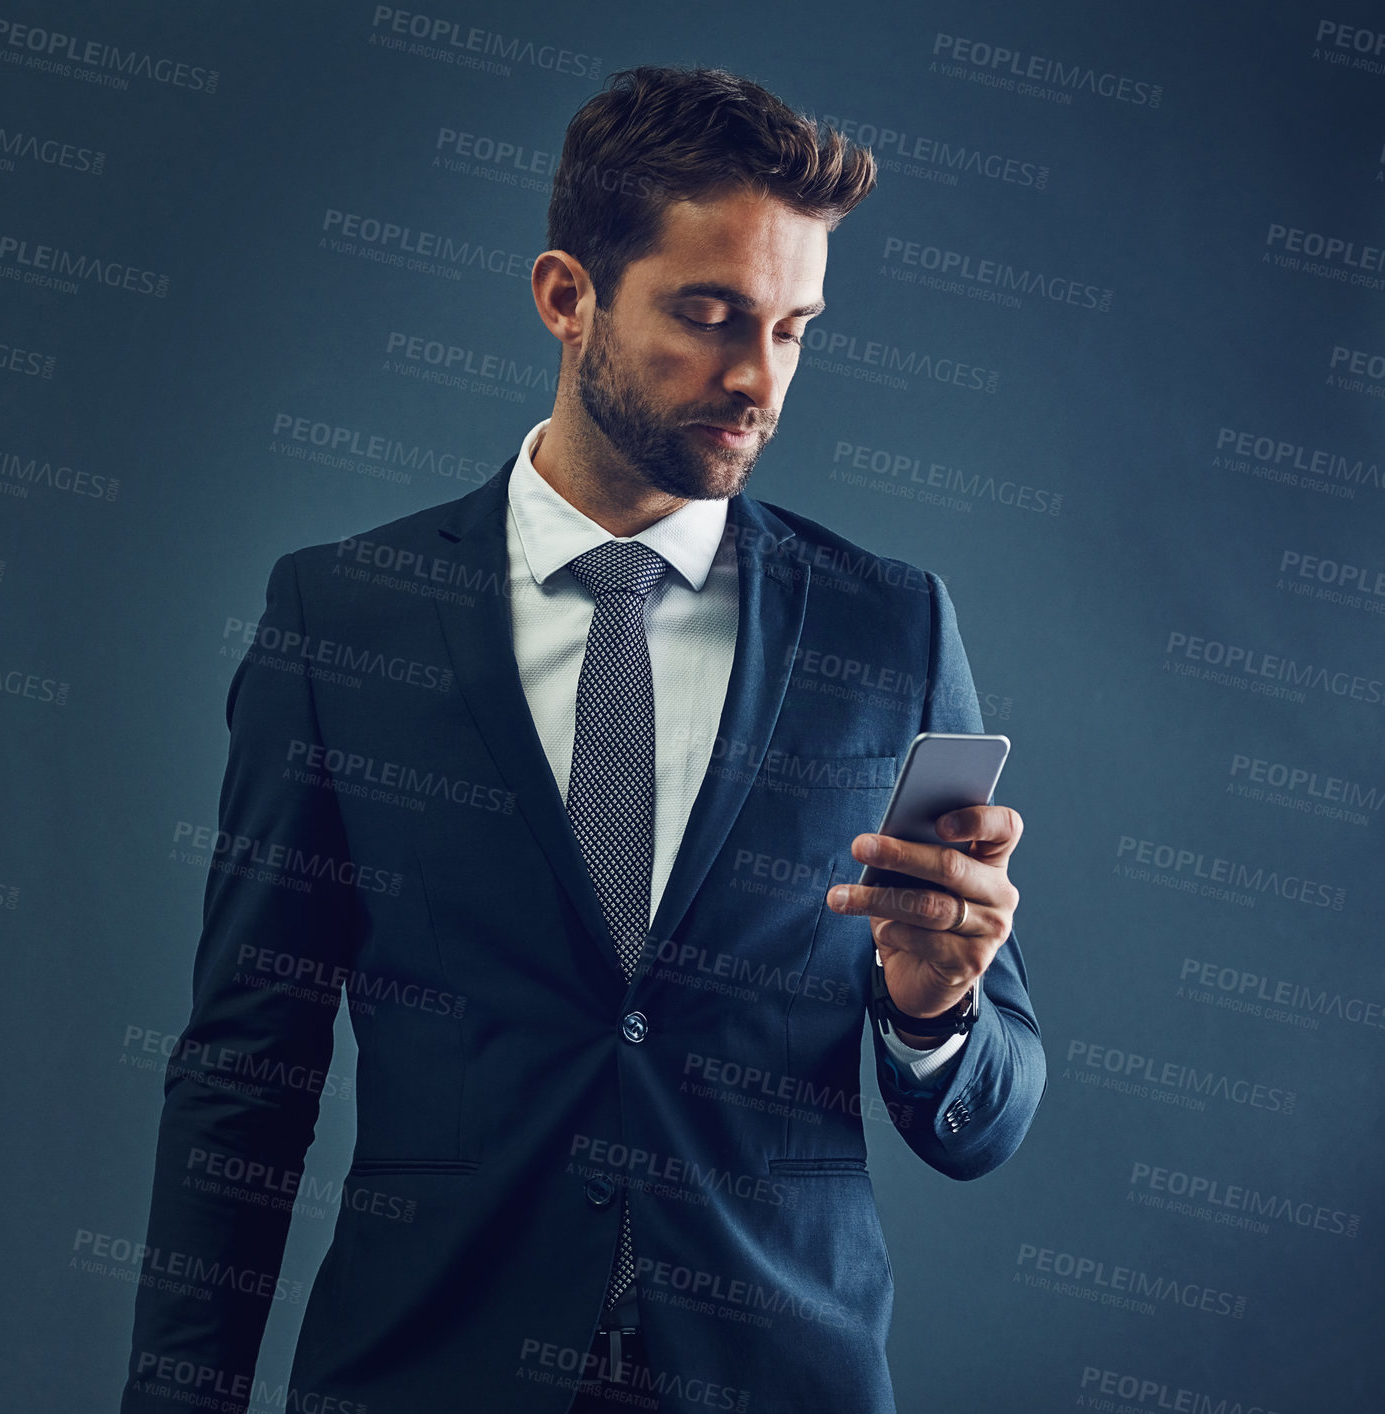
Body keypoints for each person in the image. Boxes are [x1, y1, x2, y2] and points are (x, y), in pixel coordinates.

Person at [120, 65, 1044, 1414]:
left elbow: (987, 1119)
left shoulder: (890, 629)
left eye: (793, 328)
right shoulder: (342, 616)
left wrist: (933, 1004)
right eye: (709, 315)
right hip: (426, 1373)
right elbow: (245, 1071)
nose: (756, 375)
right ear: (566, 294)